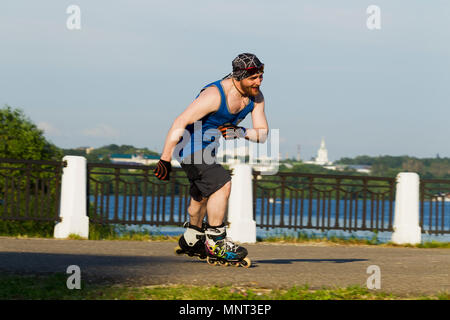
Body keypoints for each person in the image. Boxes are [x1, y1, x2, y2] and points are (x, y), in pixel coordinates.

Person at [154, 53, 268, 266]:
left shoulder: (256, 97)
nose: (258, 82)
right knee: (222, 184)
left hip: (209, 148)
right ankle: (216, 241)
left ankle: (192, 238)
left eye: (261, 76)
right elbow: (181, 120)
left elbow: (262, 134)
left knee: (204, 194)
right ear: (238, 77)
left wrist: (240, 131)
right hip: (187, 147)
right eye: (253, 78)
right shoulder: (215, 95)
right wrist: (165, 159)